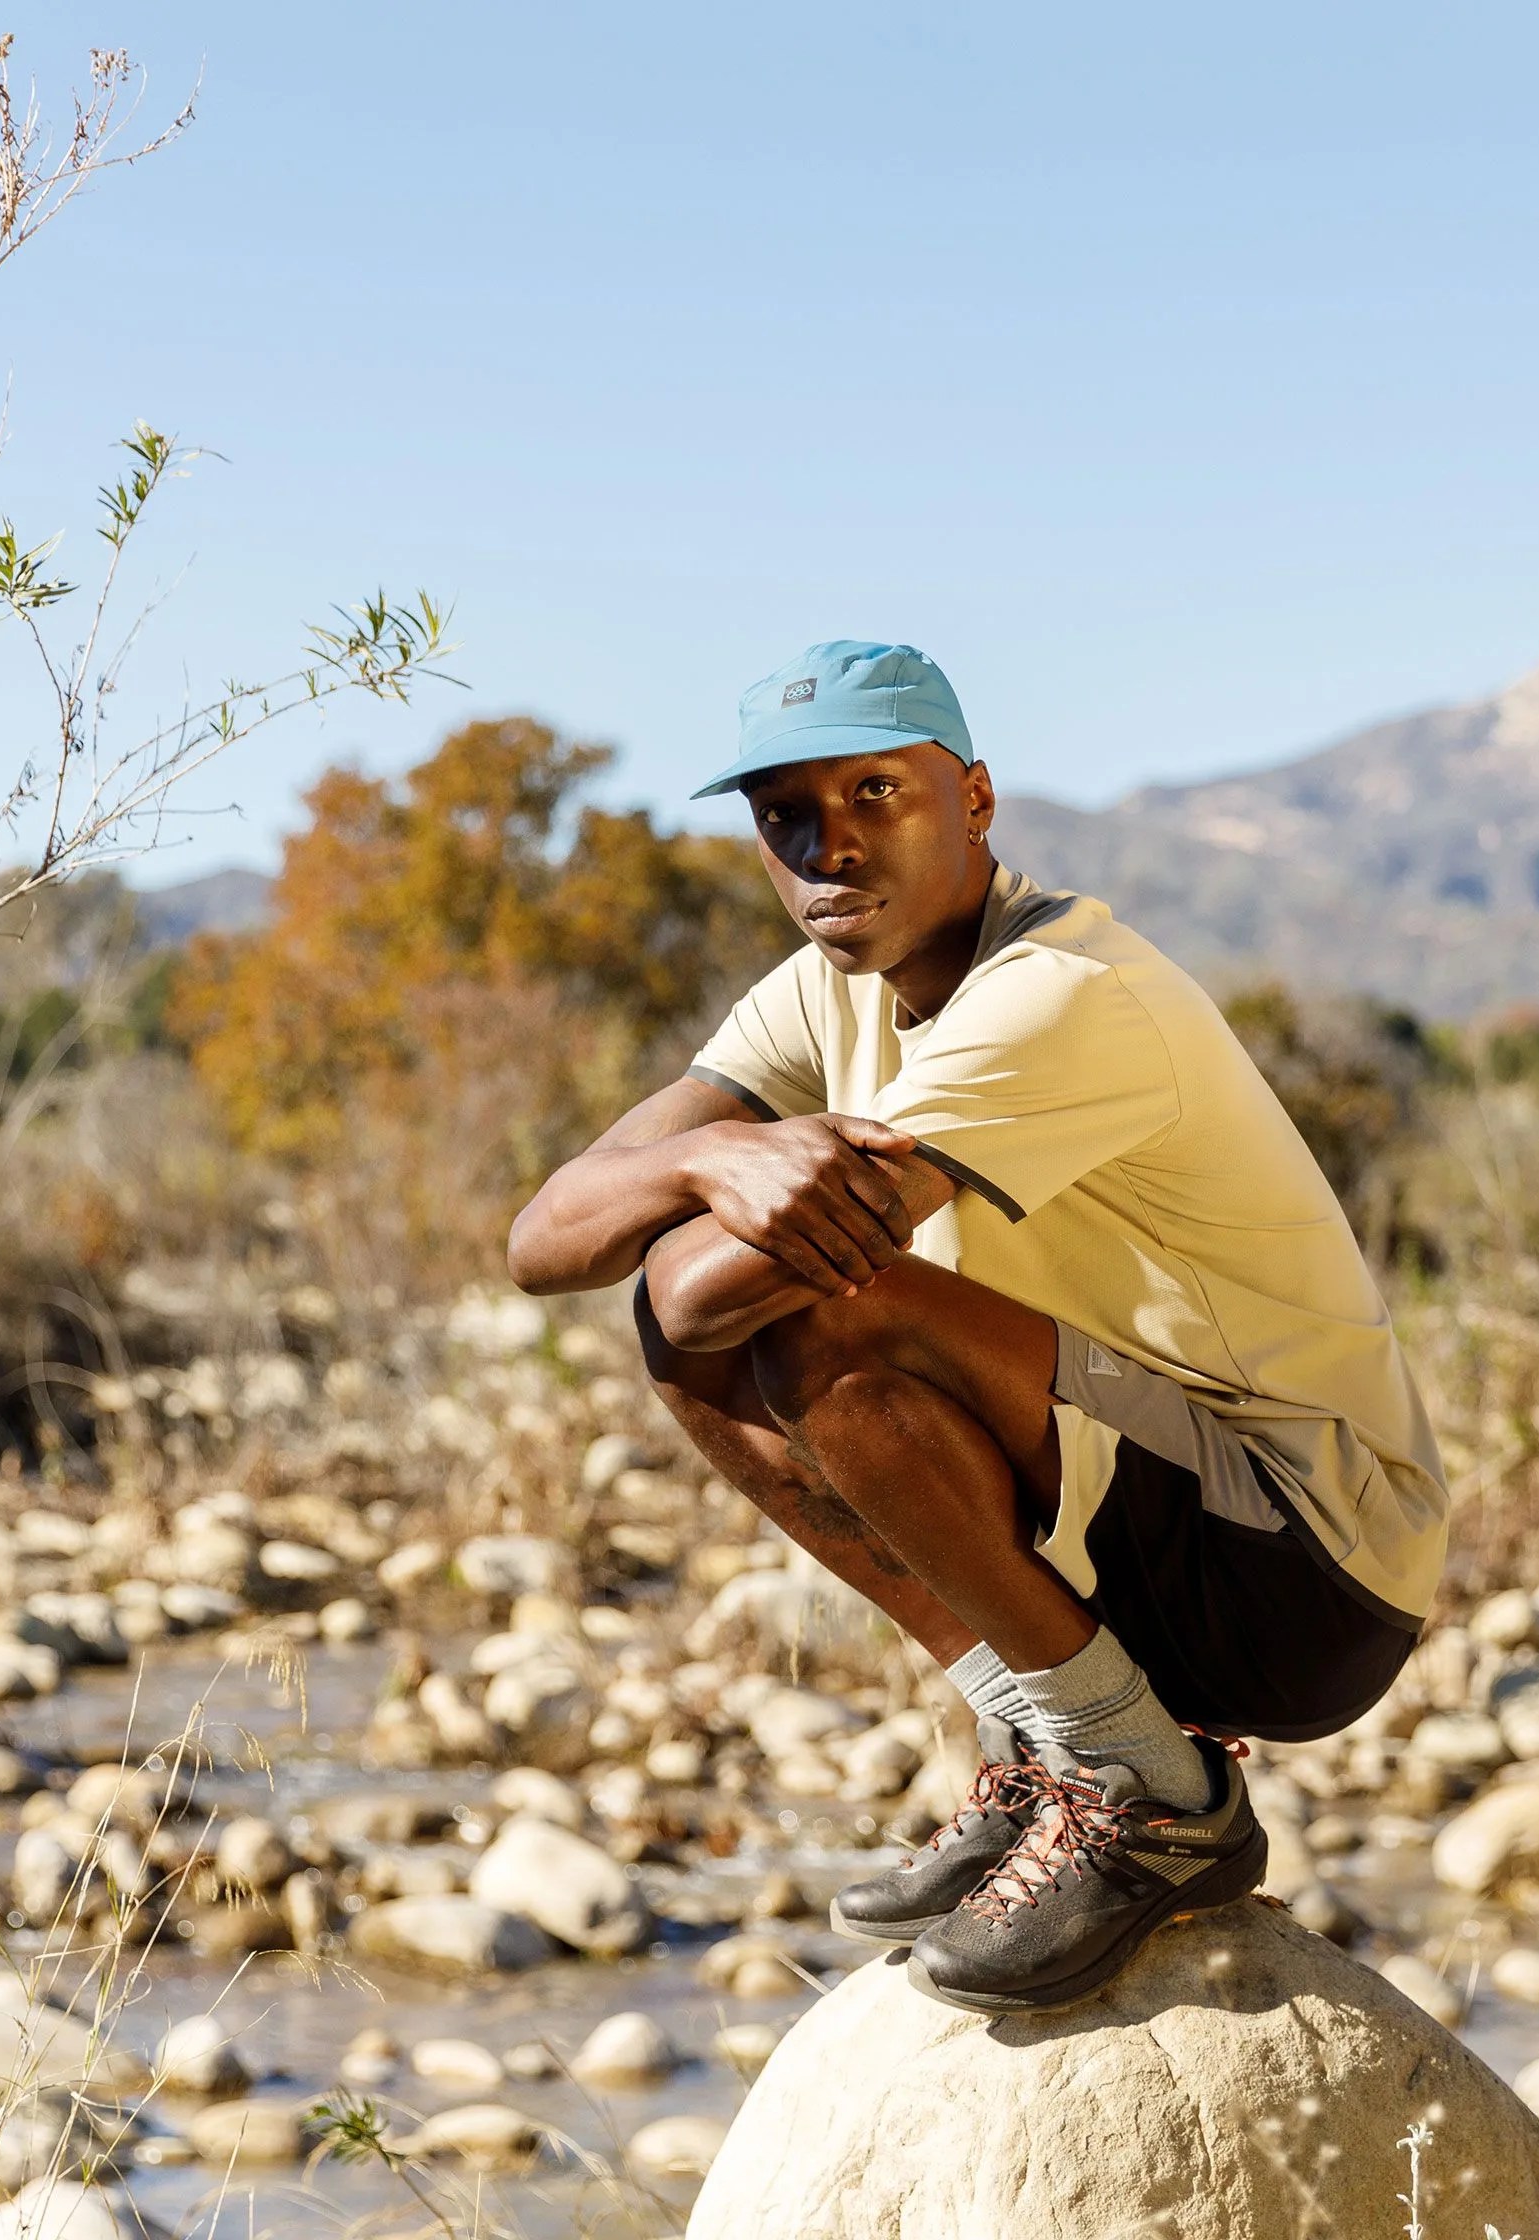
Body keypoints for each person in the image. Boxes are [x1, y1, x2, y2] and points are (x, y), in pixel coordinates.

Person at [506, 640, 1452, 2012]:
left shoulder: (1055, 992)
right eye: (786, 816)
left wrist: (694, 1206)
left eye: (876, 792)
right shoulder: (822, 990)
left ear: (978, 803)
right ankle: (1049, 1743)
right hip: (1142, 1508)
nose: (830, 847)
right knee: (710, 1340)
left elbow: (703, 1286)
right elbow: (544, 1241)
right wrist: (707, 1164)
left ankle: (1151, 1793)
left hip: (1306, 1561)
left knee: (813, 1326)